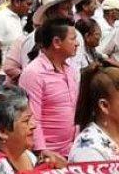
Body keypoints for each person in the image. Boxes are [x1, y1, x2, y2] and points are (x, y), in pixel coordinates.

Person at [19, 17, 80, 157]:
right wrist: (42, 151)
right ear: (57, 42)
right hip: (48, 154)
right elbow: (32, 116)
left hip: (72, 150)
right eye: (73, 39)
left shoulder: (71, 69)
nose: (77, 44)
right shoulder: (33, 73)